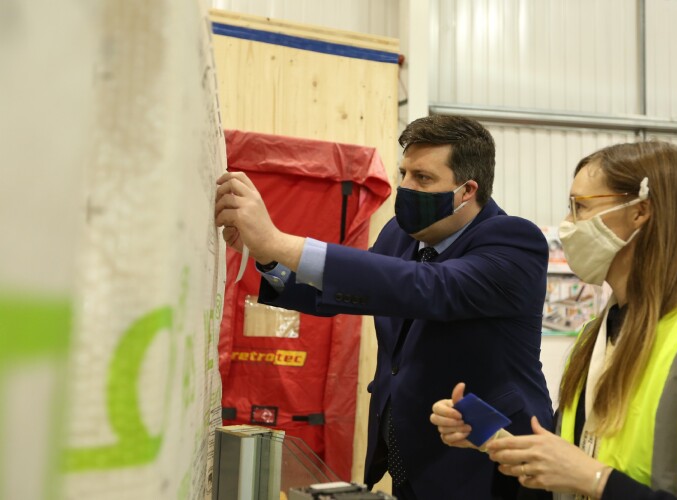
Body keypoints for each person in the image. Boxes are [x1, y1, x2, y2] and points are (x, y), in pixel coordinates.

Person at [214, 115, 554, 499]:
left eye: (422, 178)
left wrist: (280, 242)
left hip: (491, 463)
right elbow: (348, 290)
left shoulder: (513, 241)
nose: (405, 187)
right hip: (412, 455)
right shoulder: (401, 234)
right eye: (403, 173)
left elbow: (428, 289)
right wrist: (267, 258)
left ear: (466, 190)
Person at [430, 141, 677, 499]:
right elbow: (580, 455)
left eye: (581, 207)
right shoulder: (594, 337)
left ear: (640, 211)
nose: (568, 225)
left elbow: (588, 472)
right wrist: (493, 438)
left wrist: (598, 480)